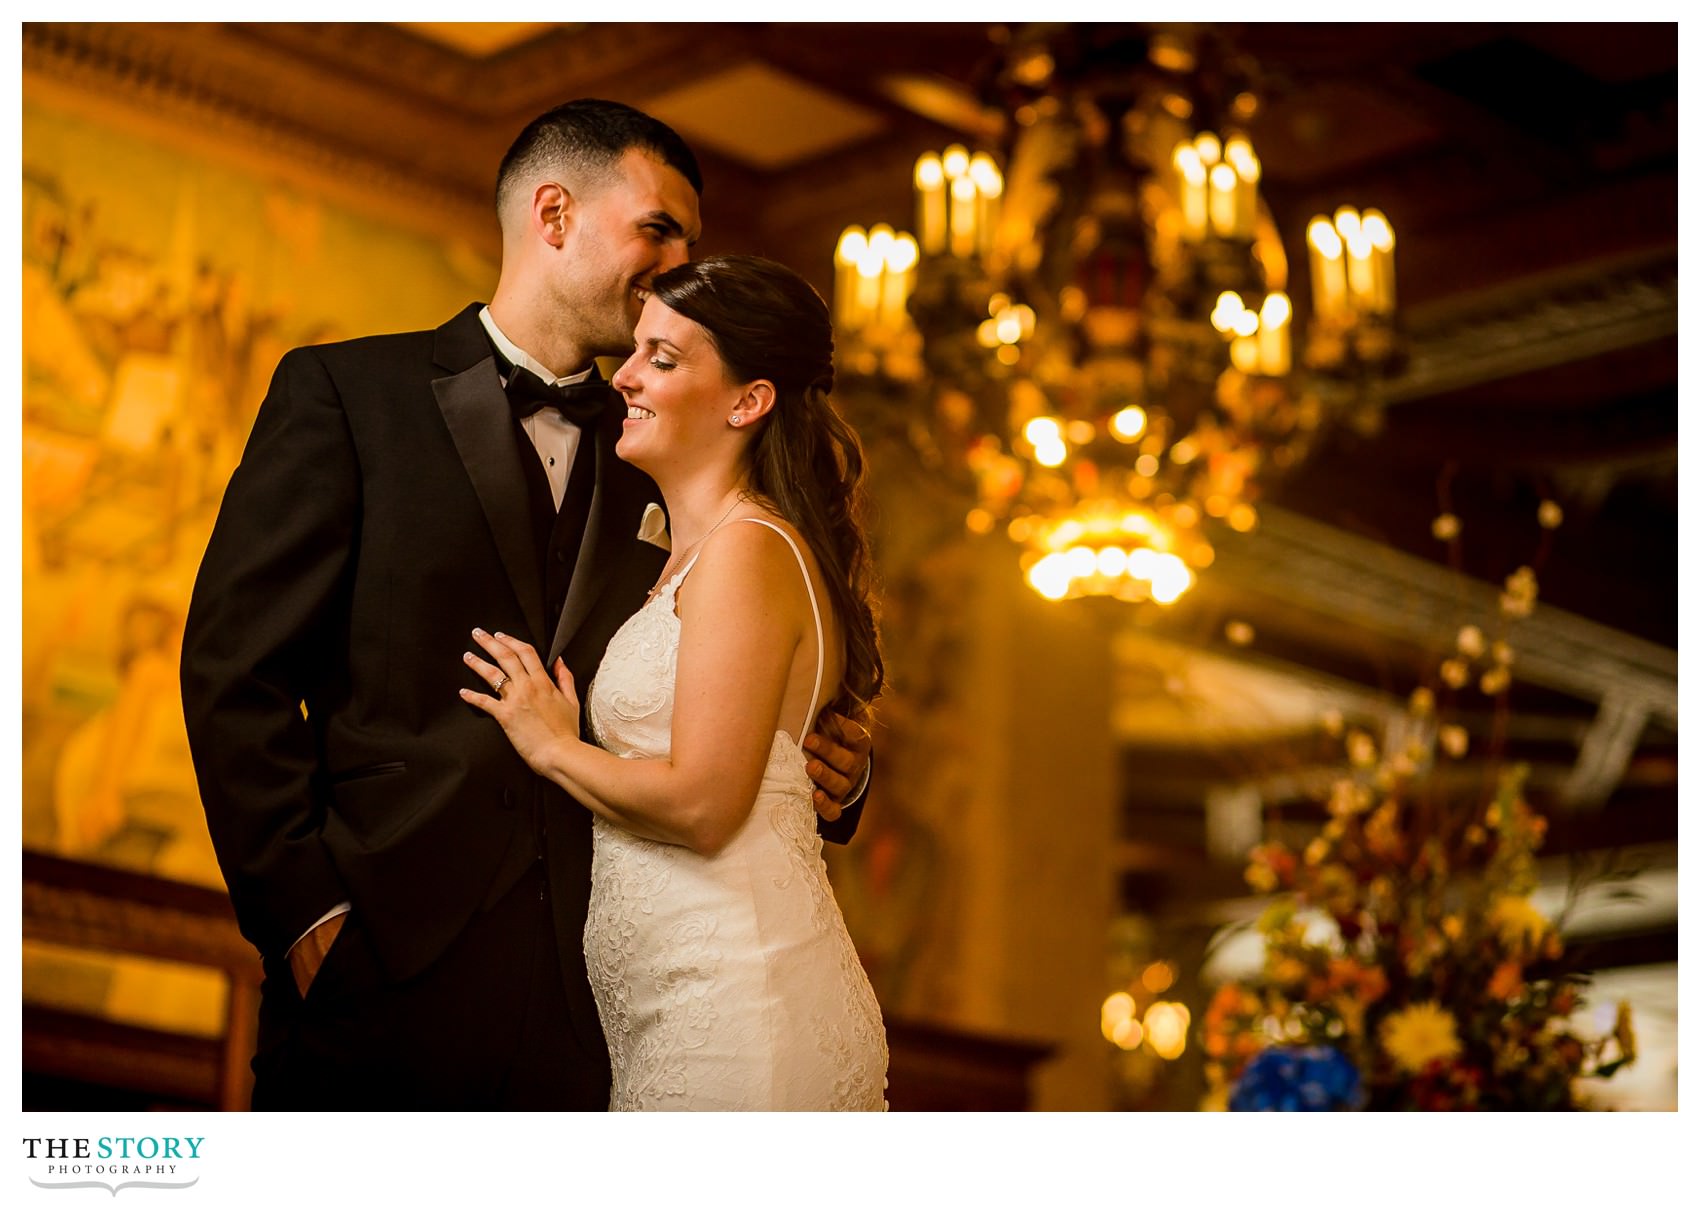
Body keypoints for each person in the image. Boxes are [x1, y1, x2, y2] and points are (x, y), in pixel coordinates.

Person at [180, 101, 872, 1110]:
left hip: (596, 1004)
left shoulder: (669, 448)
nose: (679, 262)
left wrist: (833, 769)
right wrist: (303, 917)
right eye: (659, 228)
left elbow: (744, 664)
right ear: (554, 214)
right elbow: (233, 672)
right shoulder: (347, 395)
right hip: (376, 970)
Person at [463, 254, 887, 1110]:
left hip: (740, 1005)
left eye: (662, 358)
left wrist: (552, 746)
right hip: (669, 1015)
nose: (622, 375)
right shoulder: (687, 551)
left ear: (747, 400)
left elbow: (703, 803)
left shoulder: (747, 550)